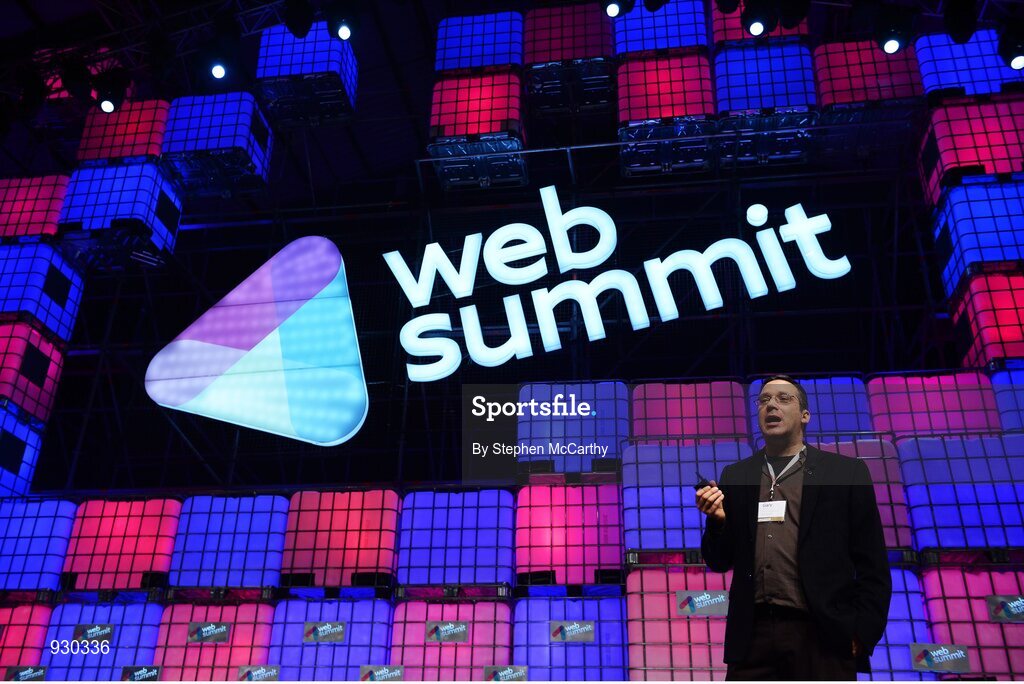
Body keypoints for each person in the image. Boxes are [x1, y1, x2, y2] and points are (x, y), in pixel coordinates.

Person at [695, 375, 891, 680]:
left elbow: (873, 565)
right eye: (763, 400)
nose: (771, 405)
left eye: (783, 399)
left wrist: (862, 632)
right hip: (752, 637)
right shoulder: (736, 475)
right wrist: (718, 522)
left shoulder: (844, 472)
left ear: (805, 415)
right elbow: (719, 560)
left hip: (822, 635)